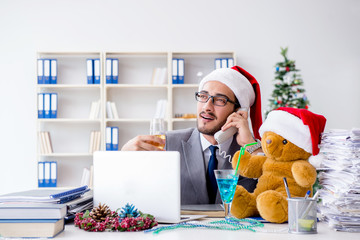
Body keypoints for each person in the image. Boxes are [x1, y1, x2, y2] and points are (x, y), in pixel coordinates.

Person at [121, 66, 263, 204]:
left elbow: (275, 193)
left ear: (238, 111)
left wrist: (251, 145)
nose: (207, 106)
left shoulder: (252, 150)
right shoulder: (166, 143)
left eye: (220, 100)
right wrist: (123, 158)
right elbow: (132, 189)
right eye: (203, 96)